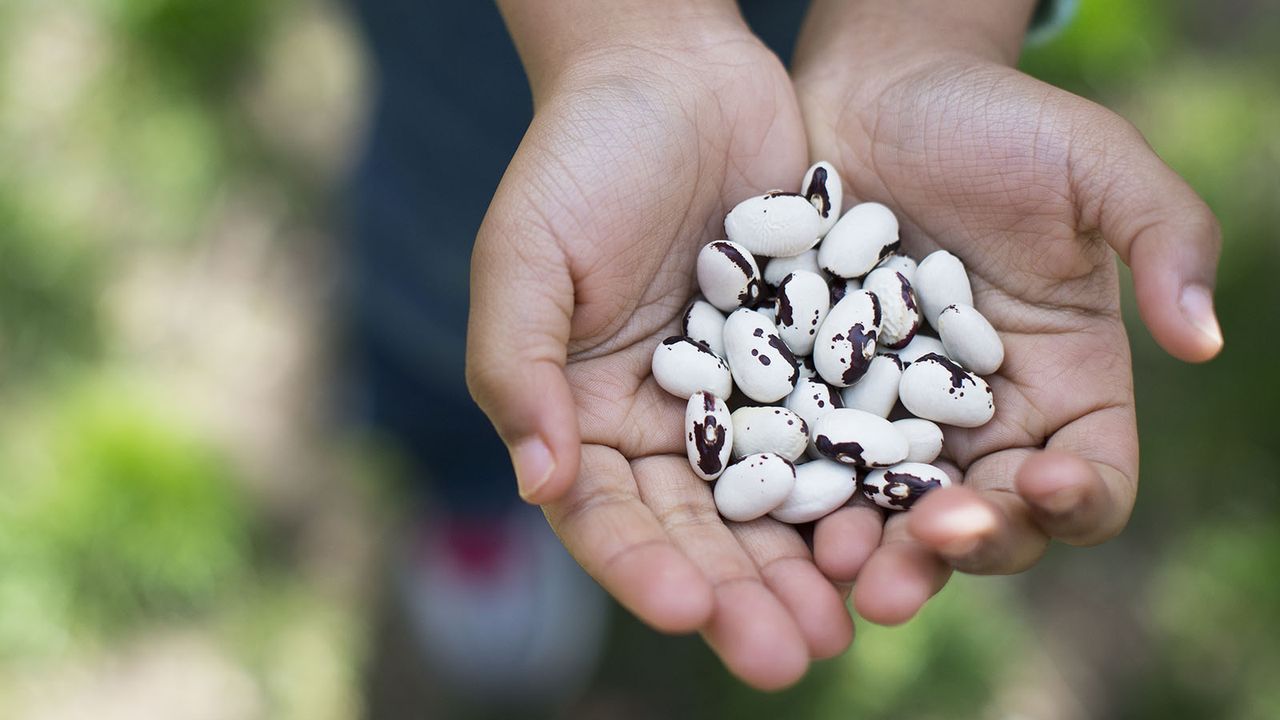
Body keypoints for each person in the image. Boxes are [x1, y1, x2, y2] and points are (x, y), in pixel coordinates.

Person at [347, 0, 1224, 703]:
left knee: (505, 341)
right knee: (467, 319)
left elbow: (836, 377)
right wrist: (625, 36)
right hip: (482, 57)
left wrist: (922, 26)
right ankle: (468, 490)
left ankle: (472, 484)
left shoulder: (843, 323)